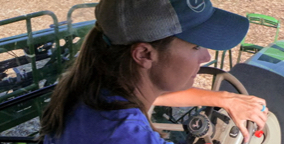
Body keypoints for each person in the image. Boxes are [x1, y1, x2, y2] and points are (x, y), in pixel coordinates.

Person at [40, 0, 268, 143]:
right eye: (195, 46)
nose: (206, 57)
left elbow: (156, 95)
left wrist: (224, 98)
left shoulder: (92, 91)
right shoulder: (125, 135)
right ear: (144, 54)